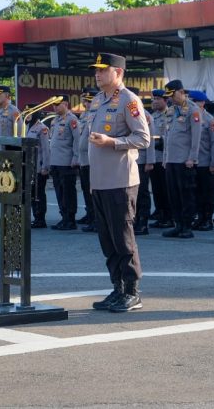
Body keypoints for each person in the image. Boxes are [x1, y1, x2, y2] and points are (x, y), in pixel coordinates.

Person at [87, 52, 150, 313]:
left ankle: (132, 291)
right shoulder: (97, 100)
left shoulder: (129, 100)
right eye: (96, 70)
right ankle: (118, 288)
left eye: (103, 69)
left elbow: (143, 138)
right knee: (107, 240)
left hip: (120, 180)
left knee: (123, 239)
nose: (97, 74)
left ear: (119, 72)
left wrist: (112, 142)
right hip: (99, 180)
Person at [160, 79, 202, 239]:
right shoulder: (171, 110)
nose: (171, 98)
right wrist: (165, 157)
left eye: (173, 95)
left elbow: (196, 136)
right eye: (169, 96)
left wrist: (192, 157)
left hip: (185, 161)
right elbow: (167, 136)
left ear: (181, 92)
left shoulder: (193, 110)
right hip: (171, 160)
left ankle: (187, 226)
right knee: (173, 195)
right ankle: (178, 224)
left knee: (186, 195)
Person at [0, 85, 22, 224]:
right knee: (2, 186)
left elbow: (19, 134)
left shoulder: (14, 111)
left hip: (11, 156)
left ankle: (13, 215)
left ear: (7, 96)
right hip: (0, 155)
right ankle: (4, 214)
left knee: (12, 186)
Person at [188, 90, 214, 231]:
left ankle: (207, 219)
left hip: (206, 162)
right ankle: (199, 217)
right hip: (193, 162)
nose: (191, 104)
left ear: (202, 103)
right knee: (196, 192)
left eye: (194, 101)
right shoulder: (190, 117)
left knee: (207, 192)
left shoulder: (209, 120)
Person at [49, 94, 80, 230]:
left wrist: (76, 157)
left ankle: (70, 219)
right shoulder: (55, 120)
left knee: (68, 192)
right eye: (54, 105)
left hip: (67, 162)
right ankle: (64, 217)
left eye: (57, 104)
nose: (55, 107)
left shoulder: (72, 120)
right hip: (56, 161)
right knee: (59, 191)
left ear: (66, 104)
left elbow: (77, 140)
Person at [130, 87, 156, 236]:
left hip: (141, 160)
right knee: (131, 193)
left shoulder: (144, 116)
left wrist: (150, 161)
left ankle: (143, 222)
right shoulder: (127, 113)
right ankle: (134, 219)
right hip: (129, 160)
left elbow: (150, 140)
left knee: (142, 192)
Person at [149, 89, 173, 229]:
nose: (155, 101)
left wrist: (159, 141)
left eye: (158, 99)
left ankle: (169, 217)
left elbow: (169, 136)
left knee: (166, 189)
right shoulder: (153, 116)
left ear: (166, 100)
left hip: (164, 158)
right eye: (154, 99)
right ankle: (160, 214)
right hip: (154, 157)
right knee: (157, 189)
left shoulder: (170, 115)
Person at [24, 103, 50, 229]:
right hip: (29, 166)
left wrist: (45, 166)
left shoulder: (42, 128)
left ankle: (40, 218)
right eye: (26, 112)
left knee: (39, 193)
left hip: (39, 166)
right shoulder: (26, 127)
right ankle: (35, 217)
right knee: (31, 193)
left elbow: (45, 149)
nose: (27, 114)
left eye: (30, 112)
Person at [78, 87, 98, 232]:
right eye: (86, 101)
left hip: (93, 160)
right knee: (86, 190)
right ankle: (91, 215)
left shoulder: (98, 115)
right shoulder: (86, 115)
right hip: (84, 159)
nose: (87, 103)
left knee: (94, 192)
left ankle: (97, 219)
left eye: (90, 101)